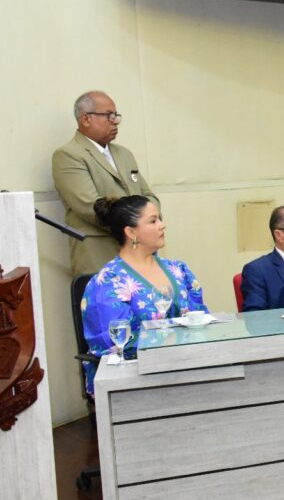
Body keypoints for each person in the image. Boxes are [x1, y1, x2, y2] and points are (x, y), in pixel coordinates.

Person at [80, 195, 206, 395]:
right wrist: (174, 341)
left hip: (189, 367)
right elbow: (114, 343)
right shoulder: (109, 282)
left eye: (160, 219)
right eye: (153, 221)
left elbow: (200, 318)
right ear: (131, 232)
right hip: (136, 378)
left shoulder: (178, 270)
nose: (162, 225)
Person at [52, 91, 159, 276]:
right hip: (100, 257)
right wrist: (143, 224)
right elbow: (90, 207)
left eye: (116, 115)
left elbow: (149, 197)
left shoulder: (124, 154)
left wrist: (148, 220)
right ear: (86, 119)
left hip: (140, 255)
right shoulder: (68, 155)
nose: (115, 121)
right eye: (109, 115)